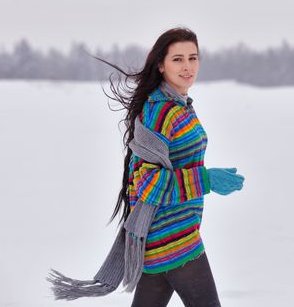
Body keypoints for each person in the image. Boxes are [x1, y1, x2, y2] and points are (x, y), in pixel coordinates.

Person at [47, 27, 245, 307]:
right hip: (173, 237)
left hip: (163, 235)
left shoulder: (178, 105)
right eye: (177, 59)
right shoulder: (159, 111)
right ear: (161, 65)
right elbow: (148, 183)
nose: (187, 66)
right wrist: (207, 180)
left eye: (193, 57)